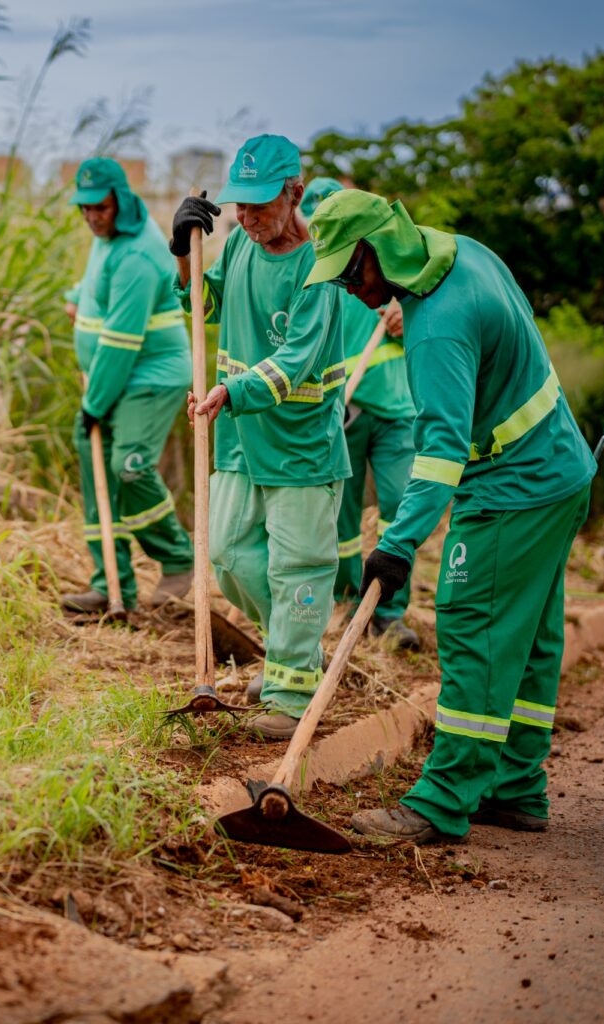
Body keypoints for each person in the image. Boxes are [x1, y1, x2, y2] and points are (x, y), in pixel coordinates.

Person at [303, 189, 596, 843]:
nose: (350, 291)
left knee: (474, 628)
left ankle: (442, 799)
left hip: (514, 488)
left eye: (352, 272)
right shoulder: (461, 252)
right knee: (529, 643)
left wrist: (397, 544)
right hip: (558, 468)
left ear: (381, 250)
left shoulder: (436, 329)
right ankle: (517, 788)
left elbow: (438, 456)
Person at [170, 136, 351, 740]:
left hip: (301, 447)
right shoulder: (243, 249)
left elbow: (297, 358)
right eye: (238, 206)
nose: (246, 218)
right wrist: (183, 254)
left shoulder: (319, 268)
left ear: (294, 193)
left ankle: (292, 693)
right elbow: (205, 301)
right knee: (226, 556)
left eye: (259, 205)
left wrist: (231, 394)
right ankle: (295, 656)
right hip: (244, 442)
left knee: (297, 567)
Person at [60, 158, 196, 613]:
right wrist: (78, 298)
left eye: (99, 208)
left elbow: (120, 343)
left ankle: (178, 558)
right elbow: (97, 282)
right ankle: (110, 585)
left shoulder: (138, 253)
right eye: (84, 209)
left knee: (128, 466)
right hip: (113, 376)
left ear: (120, 199)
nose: (91, 217)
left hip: (150, 376)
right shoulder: (109, 237)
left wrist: (95, 404)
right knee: (94, 460)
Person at [302, 178, 421, 650]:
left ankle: (390, 613)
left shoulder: (388, 264)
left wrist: (403, 312)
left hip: (396, 408)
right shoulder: (317, 274)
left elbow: (428, 307)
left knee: (398, 508)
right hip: (341, 408)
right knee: (341, 520)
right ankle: (351, 602)